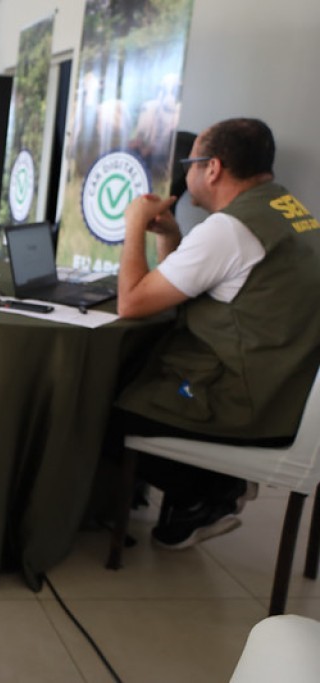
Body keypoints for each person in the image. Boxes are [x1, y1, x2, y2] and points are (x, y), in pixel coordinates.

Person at [115, 117, 320, 549]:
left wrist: (133, 224)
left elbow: (131, 303)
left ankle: (208, 493)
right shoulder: (292, 212)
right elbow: (209, 284)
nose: (187, 174)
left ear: (213, 168)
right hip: (288, 390)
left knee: (106, 406)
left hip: (244, 400)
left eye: (191, 163)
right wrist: (171, 237)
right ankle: (209, 489)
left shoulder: (229, 229)